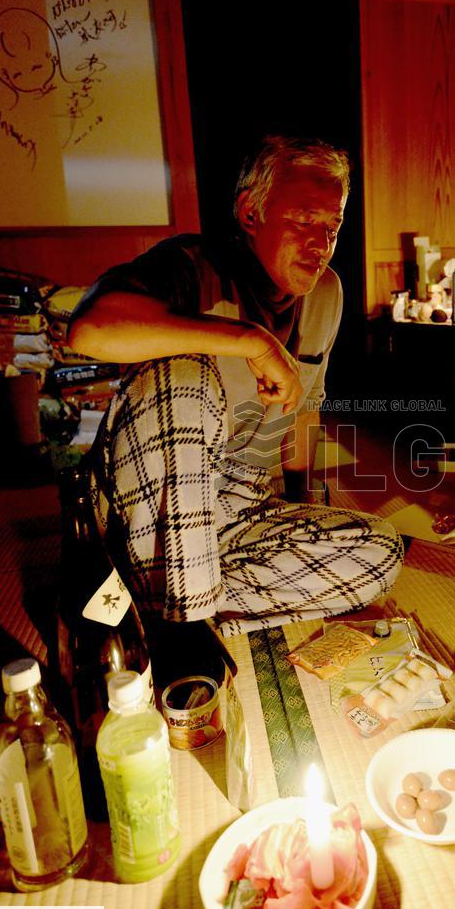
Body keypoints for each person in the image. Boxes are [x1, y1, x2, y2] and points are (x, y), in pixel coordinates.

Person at [67, 136, 403, 642]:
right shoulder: (190, 265)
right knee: (184, 372)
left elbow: (304, 414)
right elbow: (88, 329)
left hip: (238, 504)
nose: (320, 242)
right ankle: (185, 631)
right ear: (251, 213)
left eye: (331, 226)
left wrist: (306, 510)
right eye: (303, 219)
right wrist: (249, 341)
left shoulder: (326, 293)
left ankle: (152, 602)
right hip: (144, 504)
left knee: (380, 552)